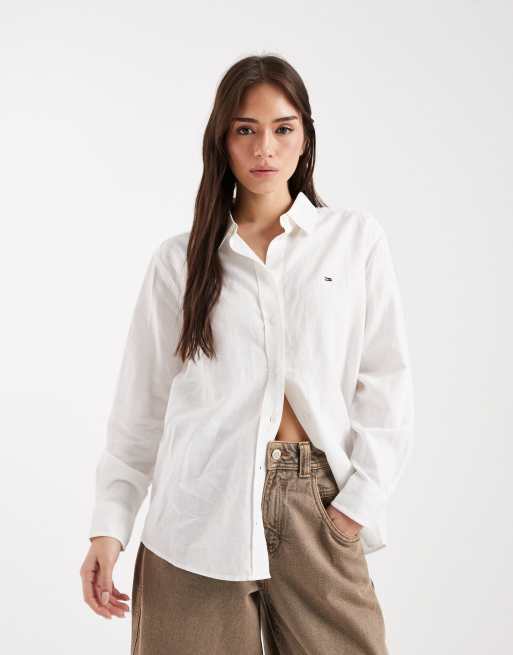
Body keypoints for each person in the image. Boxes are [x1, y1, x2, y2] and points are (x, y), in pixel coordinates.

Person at [80, 54, 414, 655]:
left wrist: (356, 507)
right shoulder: (180, 261)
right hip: (195, 510)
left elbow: (386, 382)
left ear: (305, 137)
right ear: (222, 139)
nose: (265, 148)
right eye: (245, 129)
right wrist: (109, 527)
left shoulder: (353, 240)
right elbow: (141, 408)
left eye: (283, 128)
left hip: (318, 504)